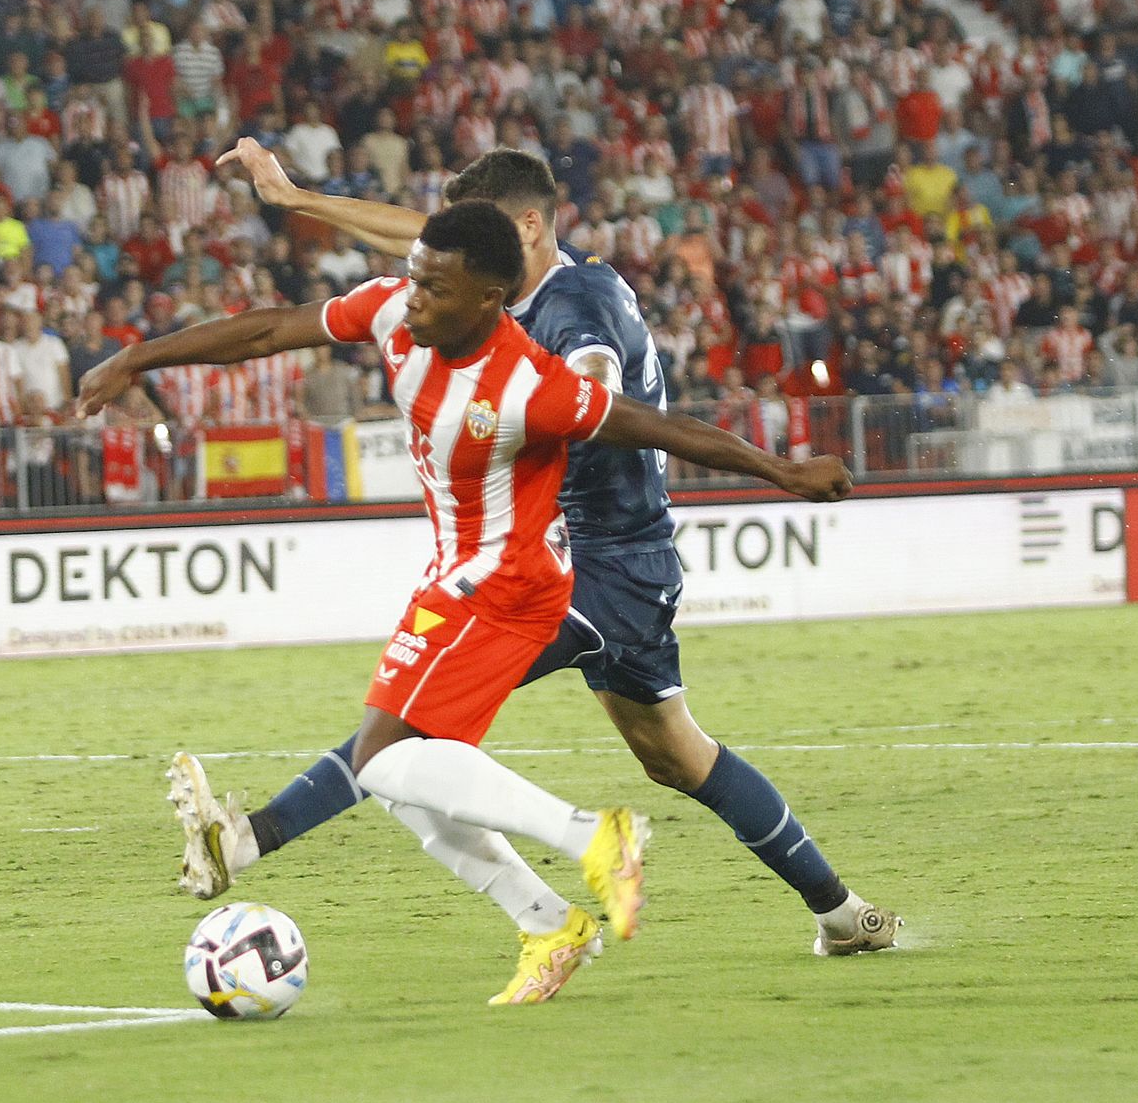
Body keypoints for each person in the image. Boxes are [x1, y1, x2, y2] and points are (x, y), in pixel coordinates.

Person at [79, 201, 855, 1004]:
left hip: (511, 585)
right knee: (401, 773)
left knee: (383, 757)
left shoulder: (529, 384)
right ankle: (548, 922)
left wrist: (782, 471)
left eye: (434, 288)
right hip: (456, 575)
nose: (413, 297)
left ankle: (592, 837)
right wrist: (140, 356)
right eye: (415, 277)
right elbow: (268, 330)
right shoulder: (394, 310)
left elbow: (655, 427)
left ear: (488, 298)